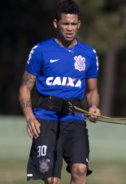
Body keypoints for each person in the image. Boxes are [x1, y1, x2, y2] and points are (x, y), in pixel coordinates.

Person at [18, 0, 101, 183]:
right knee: (53, 180)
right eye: (65, 23)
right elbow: (25, 87)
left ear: (79, 24)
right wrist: (30, 117)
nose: (69, 28)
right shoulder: (40, 50)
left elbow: (92, 90)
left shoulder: (89, 53)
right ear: (56, 23)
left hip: (75, 118)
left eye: (73, 24)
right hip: (46, 118)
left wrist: (94, 106)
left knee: (80, 169)